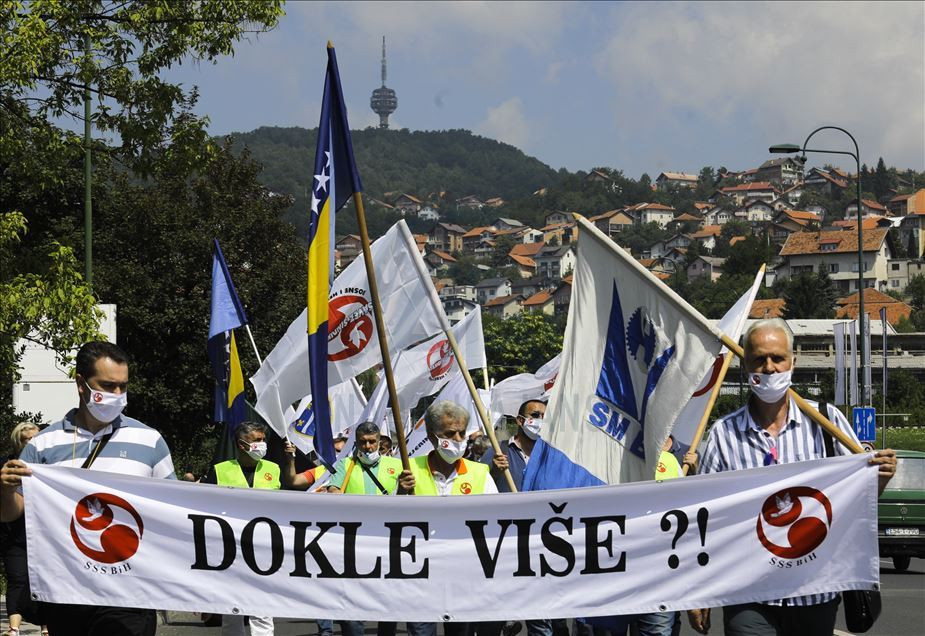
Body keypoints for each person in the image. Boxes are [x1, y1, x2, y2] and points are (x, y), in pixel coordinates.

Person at [686, 318, 897, 636]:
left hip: (814, 592)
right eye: (759, 359)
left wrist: (880, 477)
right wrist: (697, 590)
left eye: (777, 358)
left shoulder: (828, 423)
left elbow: (859, 497)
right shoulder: (723, 435)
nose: (769, 368)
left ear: (792, 363)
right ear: (746, 366)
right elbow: (703, 518)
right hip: (748, 594)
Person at [0, 341, 176, 636]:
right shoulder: (43, 444)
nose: (117, 395)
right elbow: (11, 514)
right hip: (67, 592)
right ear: (81, 383)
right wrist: (5, 489)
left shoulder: (149, 441)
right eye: (108, 386)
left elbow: (172, 508)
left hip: (131, 592)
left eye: (123, 386)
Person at [396, 400, 497, 636]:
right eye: (450, 433)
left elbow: (495, 522)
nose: (458, 439)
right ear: (433, 437)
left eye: (462, 433)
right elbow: (391, 523)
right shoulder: (409, 469)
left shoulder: (480, 473)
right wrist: (400, 493)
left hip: (464, 574)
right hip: (420, 574)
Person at [201, 421, 278, 636]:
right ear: (242, 444)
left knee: (262, 610)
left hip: (264, 548)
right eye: (257, 440)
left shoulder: (274, 469)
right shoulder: (220, 470)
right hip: (230, 548)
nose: (262, 445)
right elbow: (204, 506)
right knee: (232, 609)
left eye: (263, 440)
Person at [1, 422, 47, 636]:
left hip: (46, 533)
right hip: (14, 532)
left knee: (47, 578)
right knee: (17, 577)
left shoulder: (49, 466)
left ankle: (47, 626)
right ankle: (14, 628)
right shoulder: (5, 465)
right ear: (17, 441)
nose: (30, 443)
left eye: (34, 439)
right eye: (26, 439)